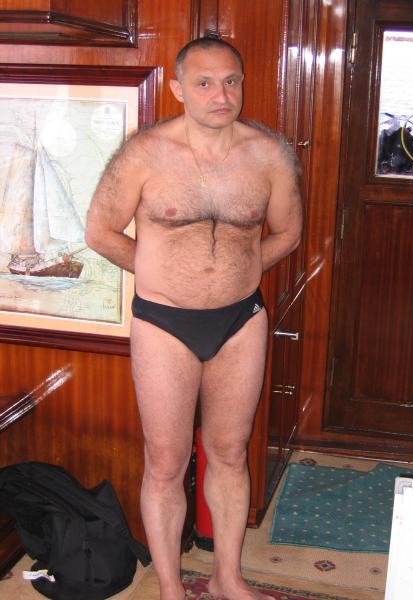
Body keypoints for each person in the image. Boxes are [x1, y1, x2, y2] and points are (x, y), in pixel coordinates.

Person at [85, 36, 302, 600]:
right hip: (164, 323)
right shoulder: (144, 154)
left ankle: (228, 577)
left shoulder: (269, 155)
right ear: (178, 88)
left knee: (230, 452)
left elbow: (288, 232)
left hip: (240, 322)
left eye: (231, 81)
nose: (220, 95)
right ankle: (170, 590)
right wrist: (161, 273)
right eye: (204, 83)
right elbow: (99, 232)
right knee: (165, 462)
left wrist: (242, 269)